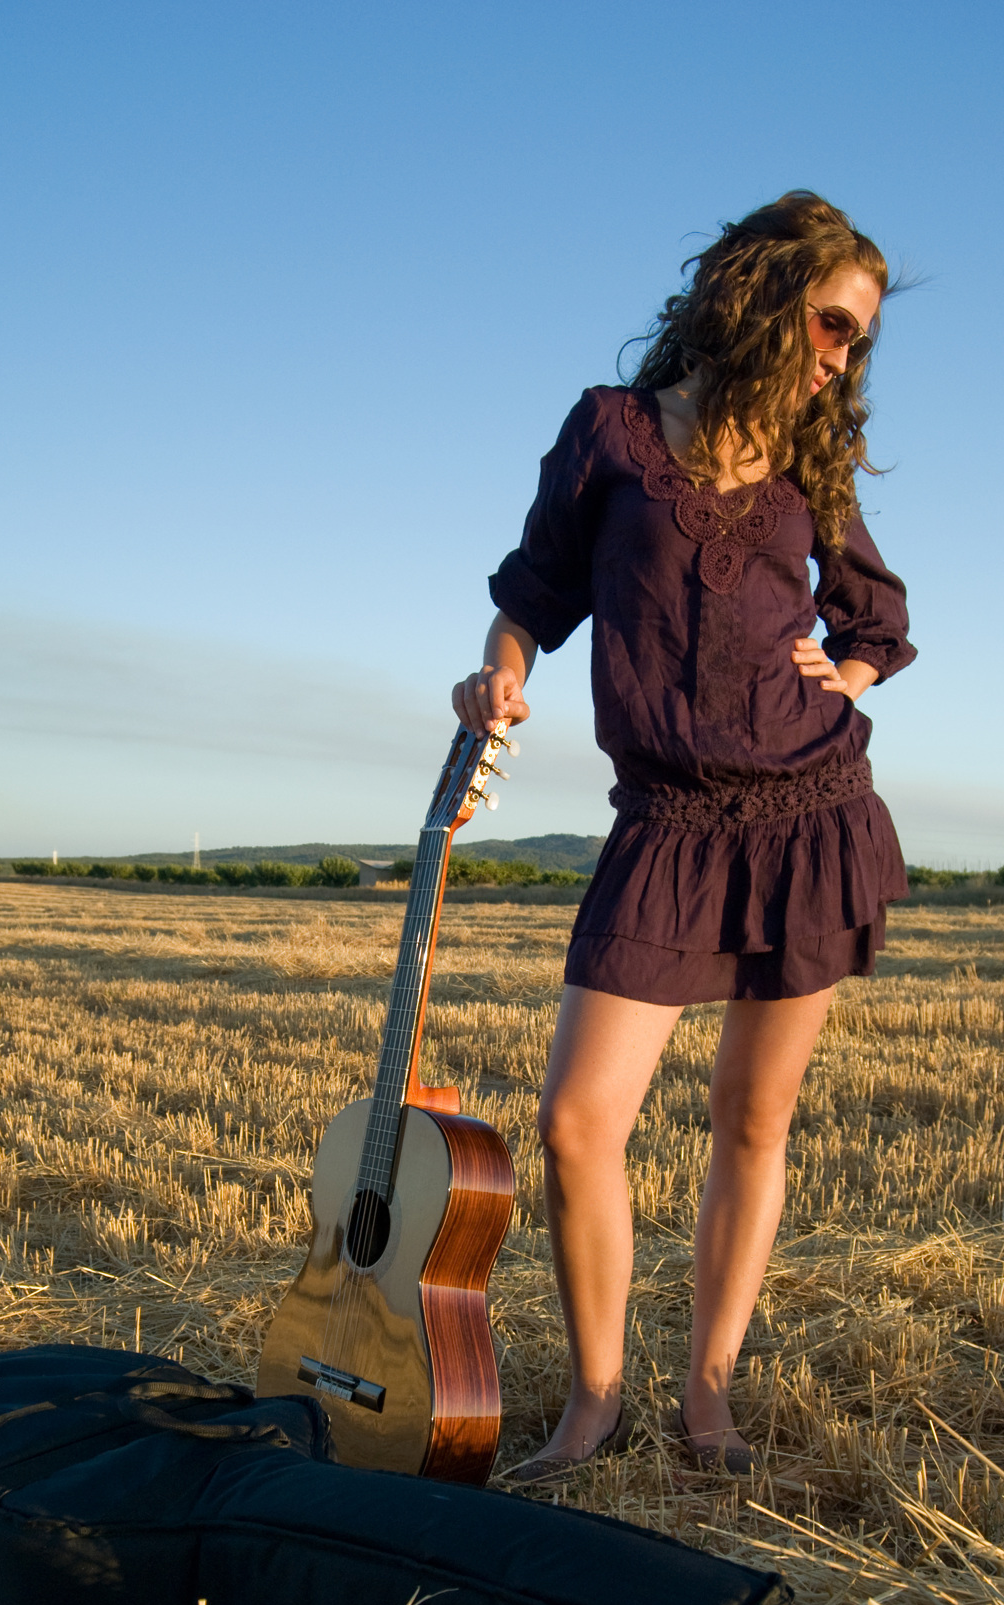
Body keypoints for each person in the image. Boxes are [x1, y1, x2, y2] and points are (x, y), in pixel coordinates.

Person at [452, 192, 916, 1482]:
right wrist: (494, 675)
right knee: (575, 1122)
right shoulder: (610, 431)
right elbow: (530, 595)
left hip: (806, 813)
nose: (840, 355)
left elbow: (876, 616)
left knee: (750, 1123)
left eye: (858, 342)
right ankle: (594, 1401)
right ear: (762, 292)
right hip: (663, 821)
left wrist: (850, 675)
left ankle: (706, 1399)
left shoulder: (811, 460)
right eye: (832, 322)